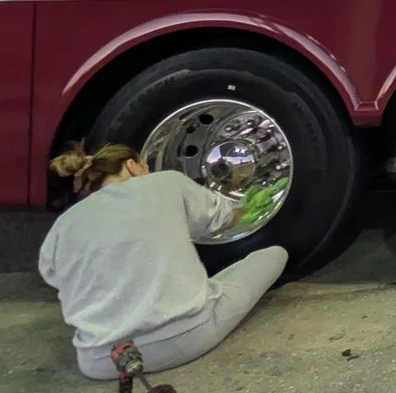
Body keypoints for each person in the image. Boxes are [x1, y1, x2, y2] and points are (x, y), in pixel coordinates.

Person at [38, 144, 285, 380]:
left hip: (100, 361)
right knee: (273, 255)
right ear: (132, 165)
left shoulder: (63, 225)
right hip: (185, 338)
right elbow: (223, 219)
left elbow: (53, 276)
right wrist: (248, 207)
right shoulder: (166, 182)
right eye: (146, 166)